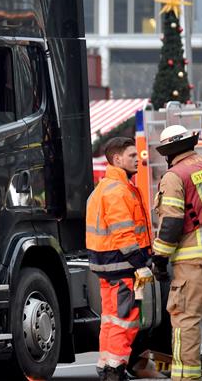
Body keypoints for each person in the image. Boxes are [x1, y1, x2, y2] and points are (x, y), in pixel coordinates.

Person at [87, 137, 154, 381]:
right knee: (125, 319)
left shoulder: (106, 187)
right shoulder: (118, 191)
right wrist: (141, 263)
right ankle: (114, 368)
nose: (138, 159)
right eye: (131, 156)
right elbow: (124, 234)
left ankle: (107, 365)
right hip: (122, 264)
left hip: (108, 265)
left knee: (111, 318)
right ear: (117, 159)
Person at [151, 125, 202, 381]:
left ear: (168, 152)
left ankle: (186, 377)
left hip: (192, 263)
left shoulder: (174, 176)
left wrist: (159, 257)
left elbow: (172, 222)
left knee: (186, 321)